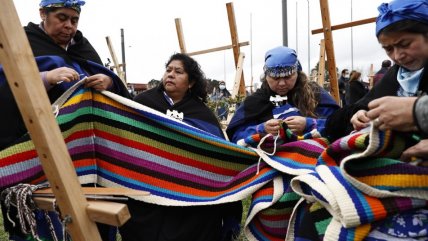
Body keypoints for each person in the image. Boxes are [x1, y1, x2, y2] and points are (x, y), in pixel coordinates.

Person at [0, 0, 130, 240]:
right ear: (43, 14)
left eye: (74, 19)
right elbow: (5, 84)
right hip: (38, 158)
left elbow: (115, 94)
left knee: (92, 223)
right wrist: (45, 77)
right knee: (44, 224)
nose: (69, 26)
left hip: (87, 158)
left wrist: (108, 82)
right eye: (62, 18)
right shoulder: (20, 41)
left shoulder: (83, 48)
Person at [119, 53, 242, 241]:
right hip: (149, 186)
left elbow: (216, 154)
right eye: (168, 70)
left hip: (187, 192)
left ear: (190, 82)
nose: (170, 74)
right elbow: (124, 134)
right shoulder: (144, 103)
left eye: (178, 72)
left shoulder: (201, 113)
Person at [226, 46, 340, 143]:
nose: (281, 83)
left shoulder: (315, 93)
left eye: (287, 77)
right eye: (275, 78)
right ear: (266, 76)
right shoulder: (254, 103)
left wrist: (309, 124)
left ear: (297, 73)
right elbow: (236, 136)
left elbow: (340, 124)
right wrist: (261, 129)